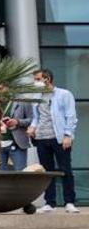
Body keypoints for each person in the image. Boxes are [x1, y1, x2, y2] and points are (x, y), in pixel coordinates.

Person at [29, 68, 79, 212]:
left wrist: (68, 135)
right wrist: (32, 128)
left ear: (47, 79)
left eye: (37, 79)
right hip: (41, 138)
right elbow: (36, 118)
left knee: (65, 170)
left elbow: (71, 116)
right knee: (46, 172)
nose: (35, 82)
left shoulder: (64, 94)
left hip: (59, 138)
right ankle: (49, 203)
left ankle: (69, 202)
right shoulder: (36, 97)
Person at [0, 98, 35, 171]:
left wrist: (17, 122)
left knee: (20, 173)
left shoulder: (23, 101)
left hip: (17, 144)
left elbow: (32, 119)